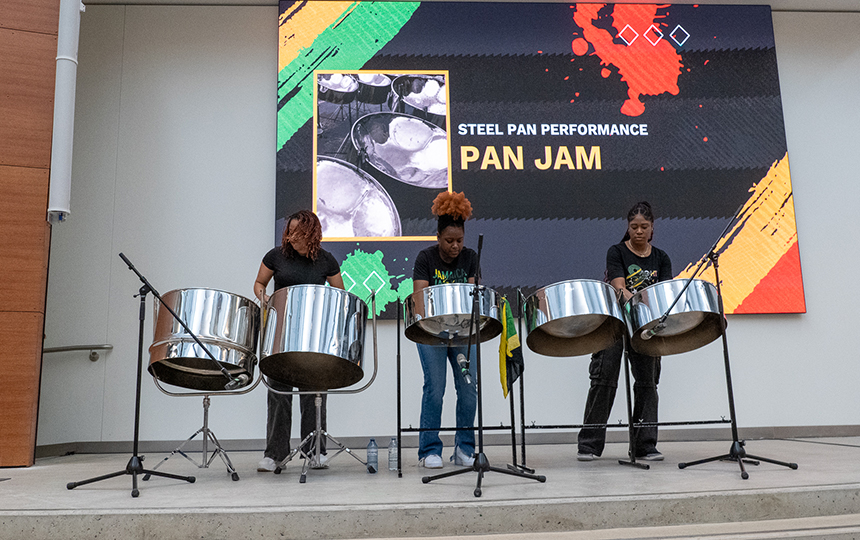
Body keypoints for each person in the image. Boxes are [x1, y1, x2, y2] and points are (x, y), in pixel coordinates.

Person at [577, 201, 672, 462]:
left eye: (644, 226)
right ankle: (589, 444)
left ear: (652, 228)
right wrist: (638, 302)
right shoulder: (617, 252)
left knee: (647, 383)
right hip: (616, 323)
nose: (639, 231)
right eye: (634, 227)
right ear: (628, 228)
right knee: (604, 378)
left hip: (645, 326)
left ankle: (644, 445)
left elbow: (664, 294)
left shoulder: (661, 258)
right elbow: (619, 287)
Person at [253, 210, 345, 472]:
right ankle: (275, 455)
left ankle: (315, 451)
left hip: (313, 336)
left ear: (311, 234)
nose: (291, 237)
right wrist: (263, 297)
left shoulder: (326, 260)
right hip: (282, 333)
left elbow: (340, 295)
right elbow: (260, 283)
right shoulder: (275, 256)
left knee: (314, 394)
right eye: (289, 231)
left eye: (298, 233)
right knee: (279, 394)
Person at [412, 191, 479, 469]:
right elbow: (419, 298)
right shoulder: (425, 258)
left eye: (460, 241)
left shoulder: (471, 257)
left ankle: (464, 448)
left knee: (467, 389)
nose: (455, 247)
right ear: (438, 238)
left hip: (463, 331)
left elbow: (474, 296)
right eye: (449, 241)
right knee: (435, 389)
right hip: (432, 333)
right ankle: (429, 449)